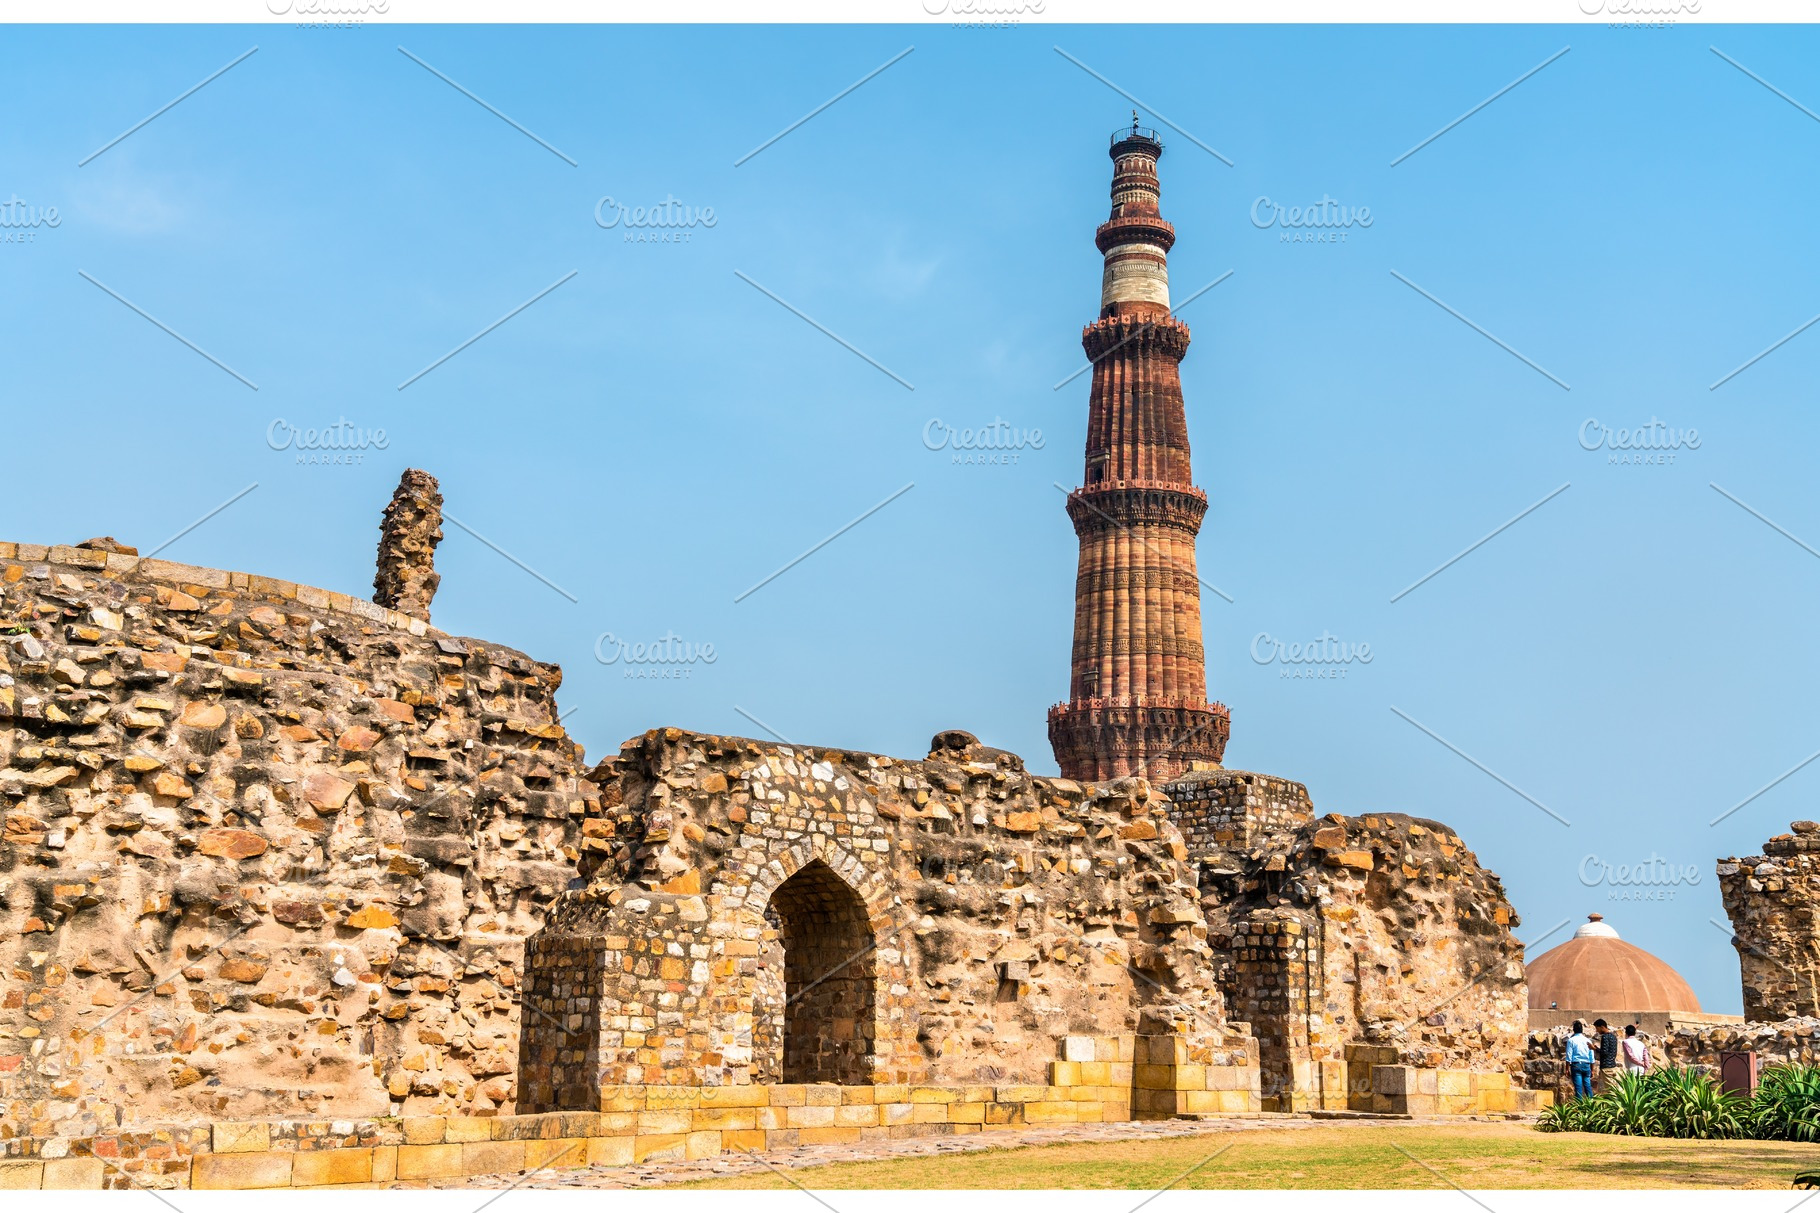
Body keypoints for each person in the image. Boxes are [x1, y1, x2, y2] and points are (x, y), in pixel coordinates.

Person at [1565, 1020, 1595, 1100]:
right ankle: (1591, 1106)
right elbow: (1591, 1057)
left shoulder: (1571, 1040)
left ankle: (1579, 1108)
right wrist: (1592, 1069)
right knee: (1588, 1086)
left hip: (1576, 1064)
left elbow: (1569, 1055)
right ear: (1582, 1030)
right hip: (1586, 1064)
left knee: (1578, 1088)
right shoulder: (1588, 1040)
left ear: (1574, 1030)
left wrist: (1567, 1068)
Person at [1593, 1018, 1620, 1092]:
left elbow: (1604, 1052)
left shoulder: (1605, 1037)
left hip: (1606, 1067)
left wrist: (1594, 1048)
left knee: (1610, 1091)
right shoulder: (1613, 1036)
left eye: (1597, 1028)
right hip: (1613, 1066)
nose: (1597, 1031)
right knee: (1614, 1088)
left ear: (1602, 1027)